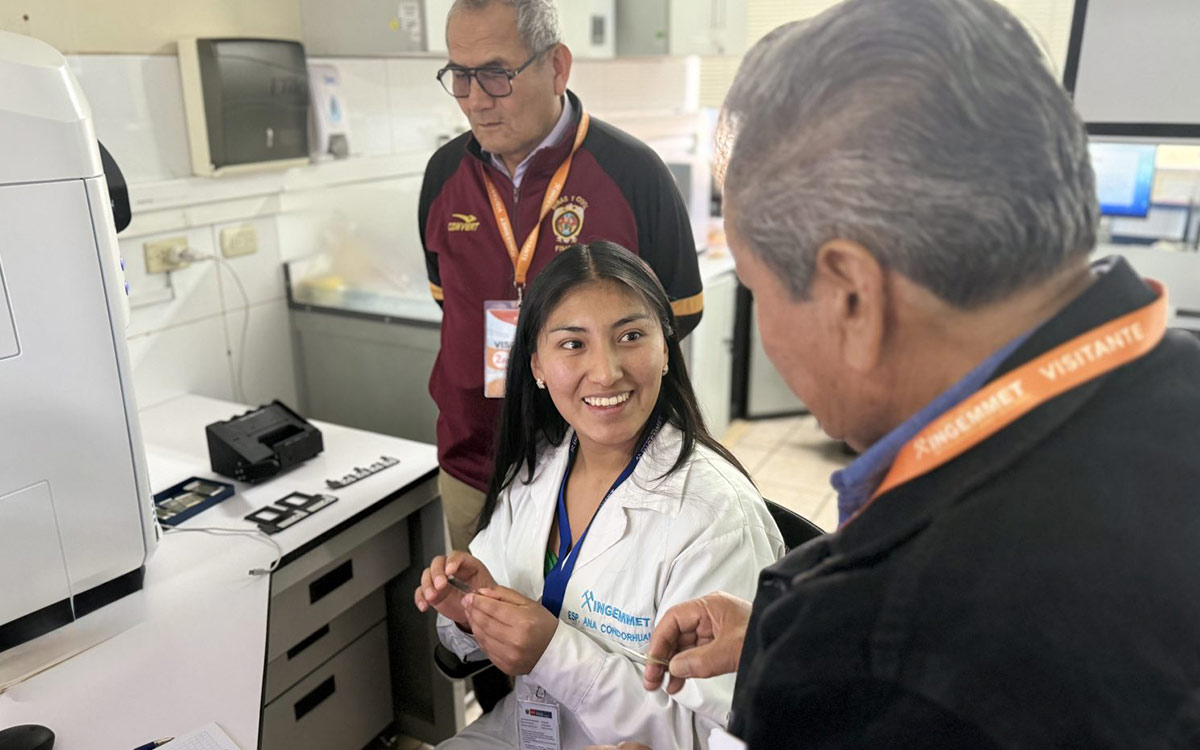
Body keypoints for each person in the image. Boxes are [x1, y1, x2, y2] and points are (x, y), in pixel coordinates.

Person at [619, 0, 1200, 748]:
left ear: (852, 298)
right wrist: (771, 630)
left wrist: (810, 645)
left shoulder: (866, 652)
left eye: (759, 290)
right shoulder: (1170, 376)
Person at [413, 242, 784, 749]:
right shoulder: (539, 469)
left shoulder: (716, 517)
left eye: (630, 335)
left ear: (665, 347)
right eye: (572, 344)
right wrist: (471, 612)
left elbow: (718, 736)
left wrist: (552, 653)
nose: (607, 371)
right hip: (521, 732)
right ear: (537, 366)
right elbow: (470, 641)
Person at [418, 0, 704, 556]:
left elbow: (678, 317)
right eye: (460, 75)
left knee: (588, 634)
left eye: (497, 74)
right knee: (477, 627)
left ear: (557, 66)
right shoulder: (444, 174)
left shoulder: (632, 173)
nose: (475, 99)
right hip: (472, 461)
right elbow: (446, 301)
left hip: (599, 472)